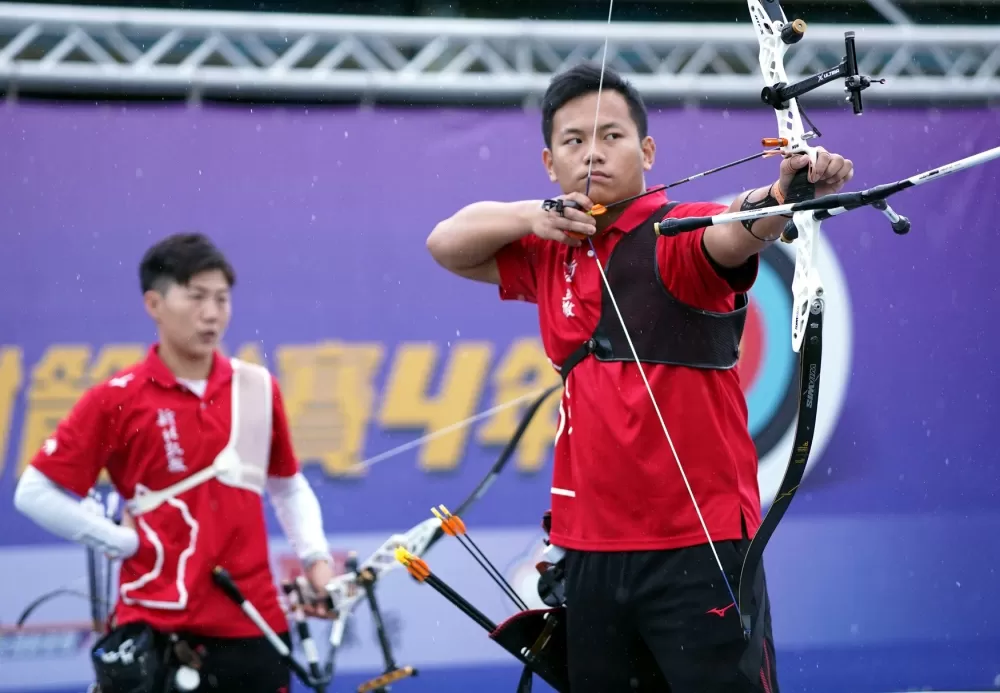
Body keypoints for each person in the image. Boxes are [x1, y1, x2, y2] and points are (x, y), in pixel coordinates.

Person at [425, 63, 854, 692]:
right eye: (573, 141)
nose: (592, 153)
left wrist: (783, 194)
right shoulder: (549, 249)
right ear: (550, 162)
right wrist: (530, 216)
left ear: (647, 149)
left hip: (697, 547)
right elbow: (445, 242)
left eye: (612, 136)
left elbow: (735, 228)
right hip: (590, 553)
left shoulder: (673, 234)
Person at [14, 233, 335, 693]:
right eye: (196, 296)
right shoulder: (118, 398)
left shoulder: (257, 388)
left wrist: (316, 561)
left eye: (222, 299)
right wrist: (120, 541)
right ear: (154, 303)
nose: (212, 313)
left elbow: (286, 486)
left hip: (254, 624)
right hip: (157, 629)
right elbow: (34, 492)